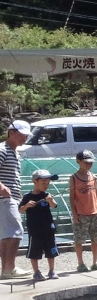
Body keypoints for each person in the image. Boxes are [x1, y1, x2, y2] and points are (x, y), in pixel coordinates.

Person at [0, 120, 33, 280]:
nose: (24, 138)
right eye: (21, 134)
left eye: (26, 135)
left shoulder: (14, 152)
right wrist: (1, 187)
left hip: (10, 197)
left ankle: (6, 268)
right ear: (11, 132)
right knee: (16, 232)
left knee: (7, 234)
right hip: (5, 197)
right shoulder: (3, 149)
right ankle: (9, 267)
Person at [68, 149, 97, 272]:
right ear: (78, 162)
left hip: (94, 213)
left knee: (96, 239)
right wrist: (74, 214)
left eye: (90, 162)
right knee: (79, 240)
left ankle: (95, 262)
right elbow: (71, 198)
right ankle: (80, 263)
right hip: (81, 214)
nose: (88, 164)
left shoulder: (93, 177)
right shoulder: (73, 178)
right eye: (86, 162)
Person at [18, 169, 59, 281]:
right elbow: (20, 210)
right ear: (35, 182)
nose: (46, 185)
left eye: (48, 183)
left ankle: (52, 270)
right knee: (35, 251)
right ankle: (36, 272)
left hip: (48, 227)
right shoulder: (27, 197)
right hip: (35, 229)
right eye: (43, 183)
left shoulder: (47, 195)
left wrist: (50, 201)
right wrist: (27, 206)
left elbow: (54, 205)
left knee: (51, 250)